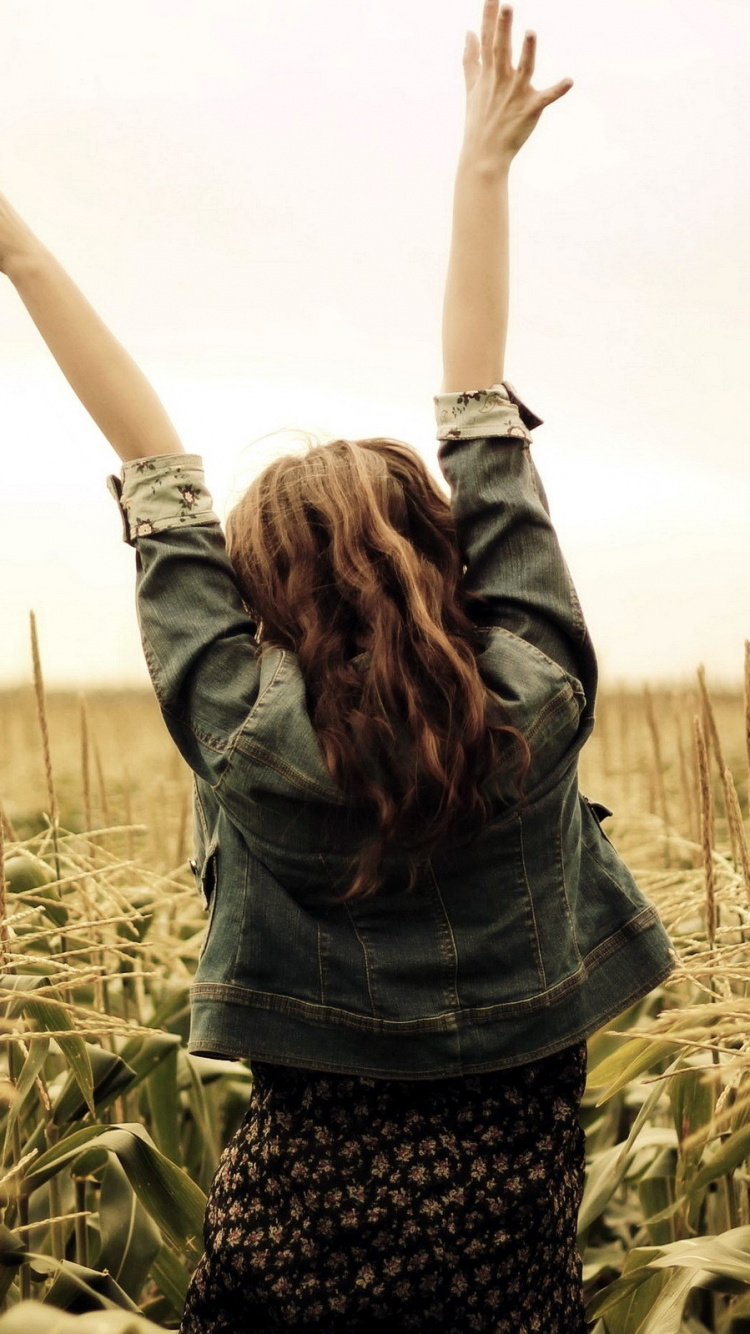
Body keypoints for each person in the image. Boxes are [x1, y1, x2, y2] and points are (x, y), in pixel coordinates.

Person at [0, 2, 676, 1329]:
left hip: (294, 1253)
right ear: (453, 556)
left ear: (259, 605)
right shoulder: (538, 687)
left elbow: (158, 475)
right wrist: (481, 170)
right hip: (508, 1263)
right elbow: (479, 413)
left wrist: (19, 250)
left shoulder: (241, 734)